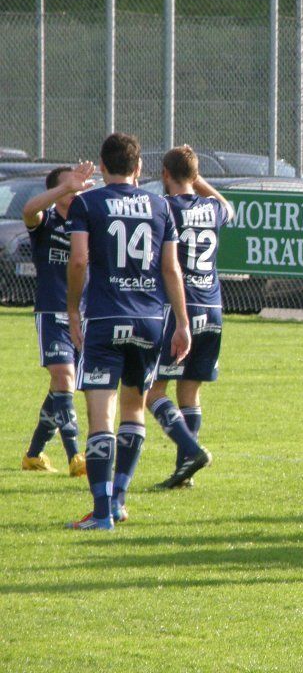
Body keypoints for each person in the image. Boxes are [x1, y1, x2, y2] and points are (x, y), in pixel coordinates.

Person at [65, 132, 202, 530]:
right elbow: (171, 269)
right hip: (149, 320)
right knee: (134, 408)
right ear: (139, 167)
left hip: (106, 317)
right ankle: (119, 500)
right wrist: (182, 322)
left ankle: (102, 512)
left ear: (102, 166)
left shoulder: (87, 202)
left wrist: (72, 310)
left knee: (101, 416)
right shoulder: (161, 206)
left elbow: (78, 261)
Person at [145, 146, 234, 489]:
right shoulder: (212, 208)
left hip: (178, 308)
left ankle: (192, 450)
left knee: (153, 391)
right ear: (195, 176)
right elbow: (228, 207)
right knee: (190, 390)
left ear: (165, 174)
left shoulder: (164, 207)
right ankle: (185, 472)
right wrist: (199, 182)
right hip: (212, 309)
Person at [20, 162, 94, 476]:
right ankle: (76, 456)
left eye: (78, 183)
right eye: (69, 184)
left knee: (61, 388)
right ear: (56, 189)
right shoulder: (46, 221)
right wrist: (66, 187)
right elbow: (28, 210)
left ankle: (33, 455)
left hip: (84, 314)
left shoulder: (85, 222)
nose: (76, 187)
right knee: (64, 378)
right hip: (52, 312)